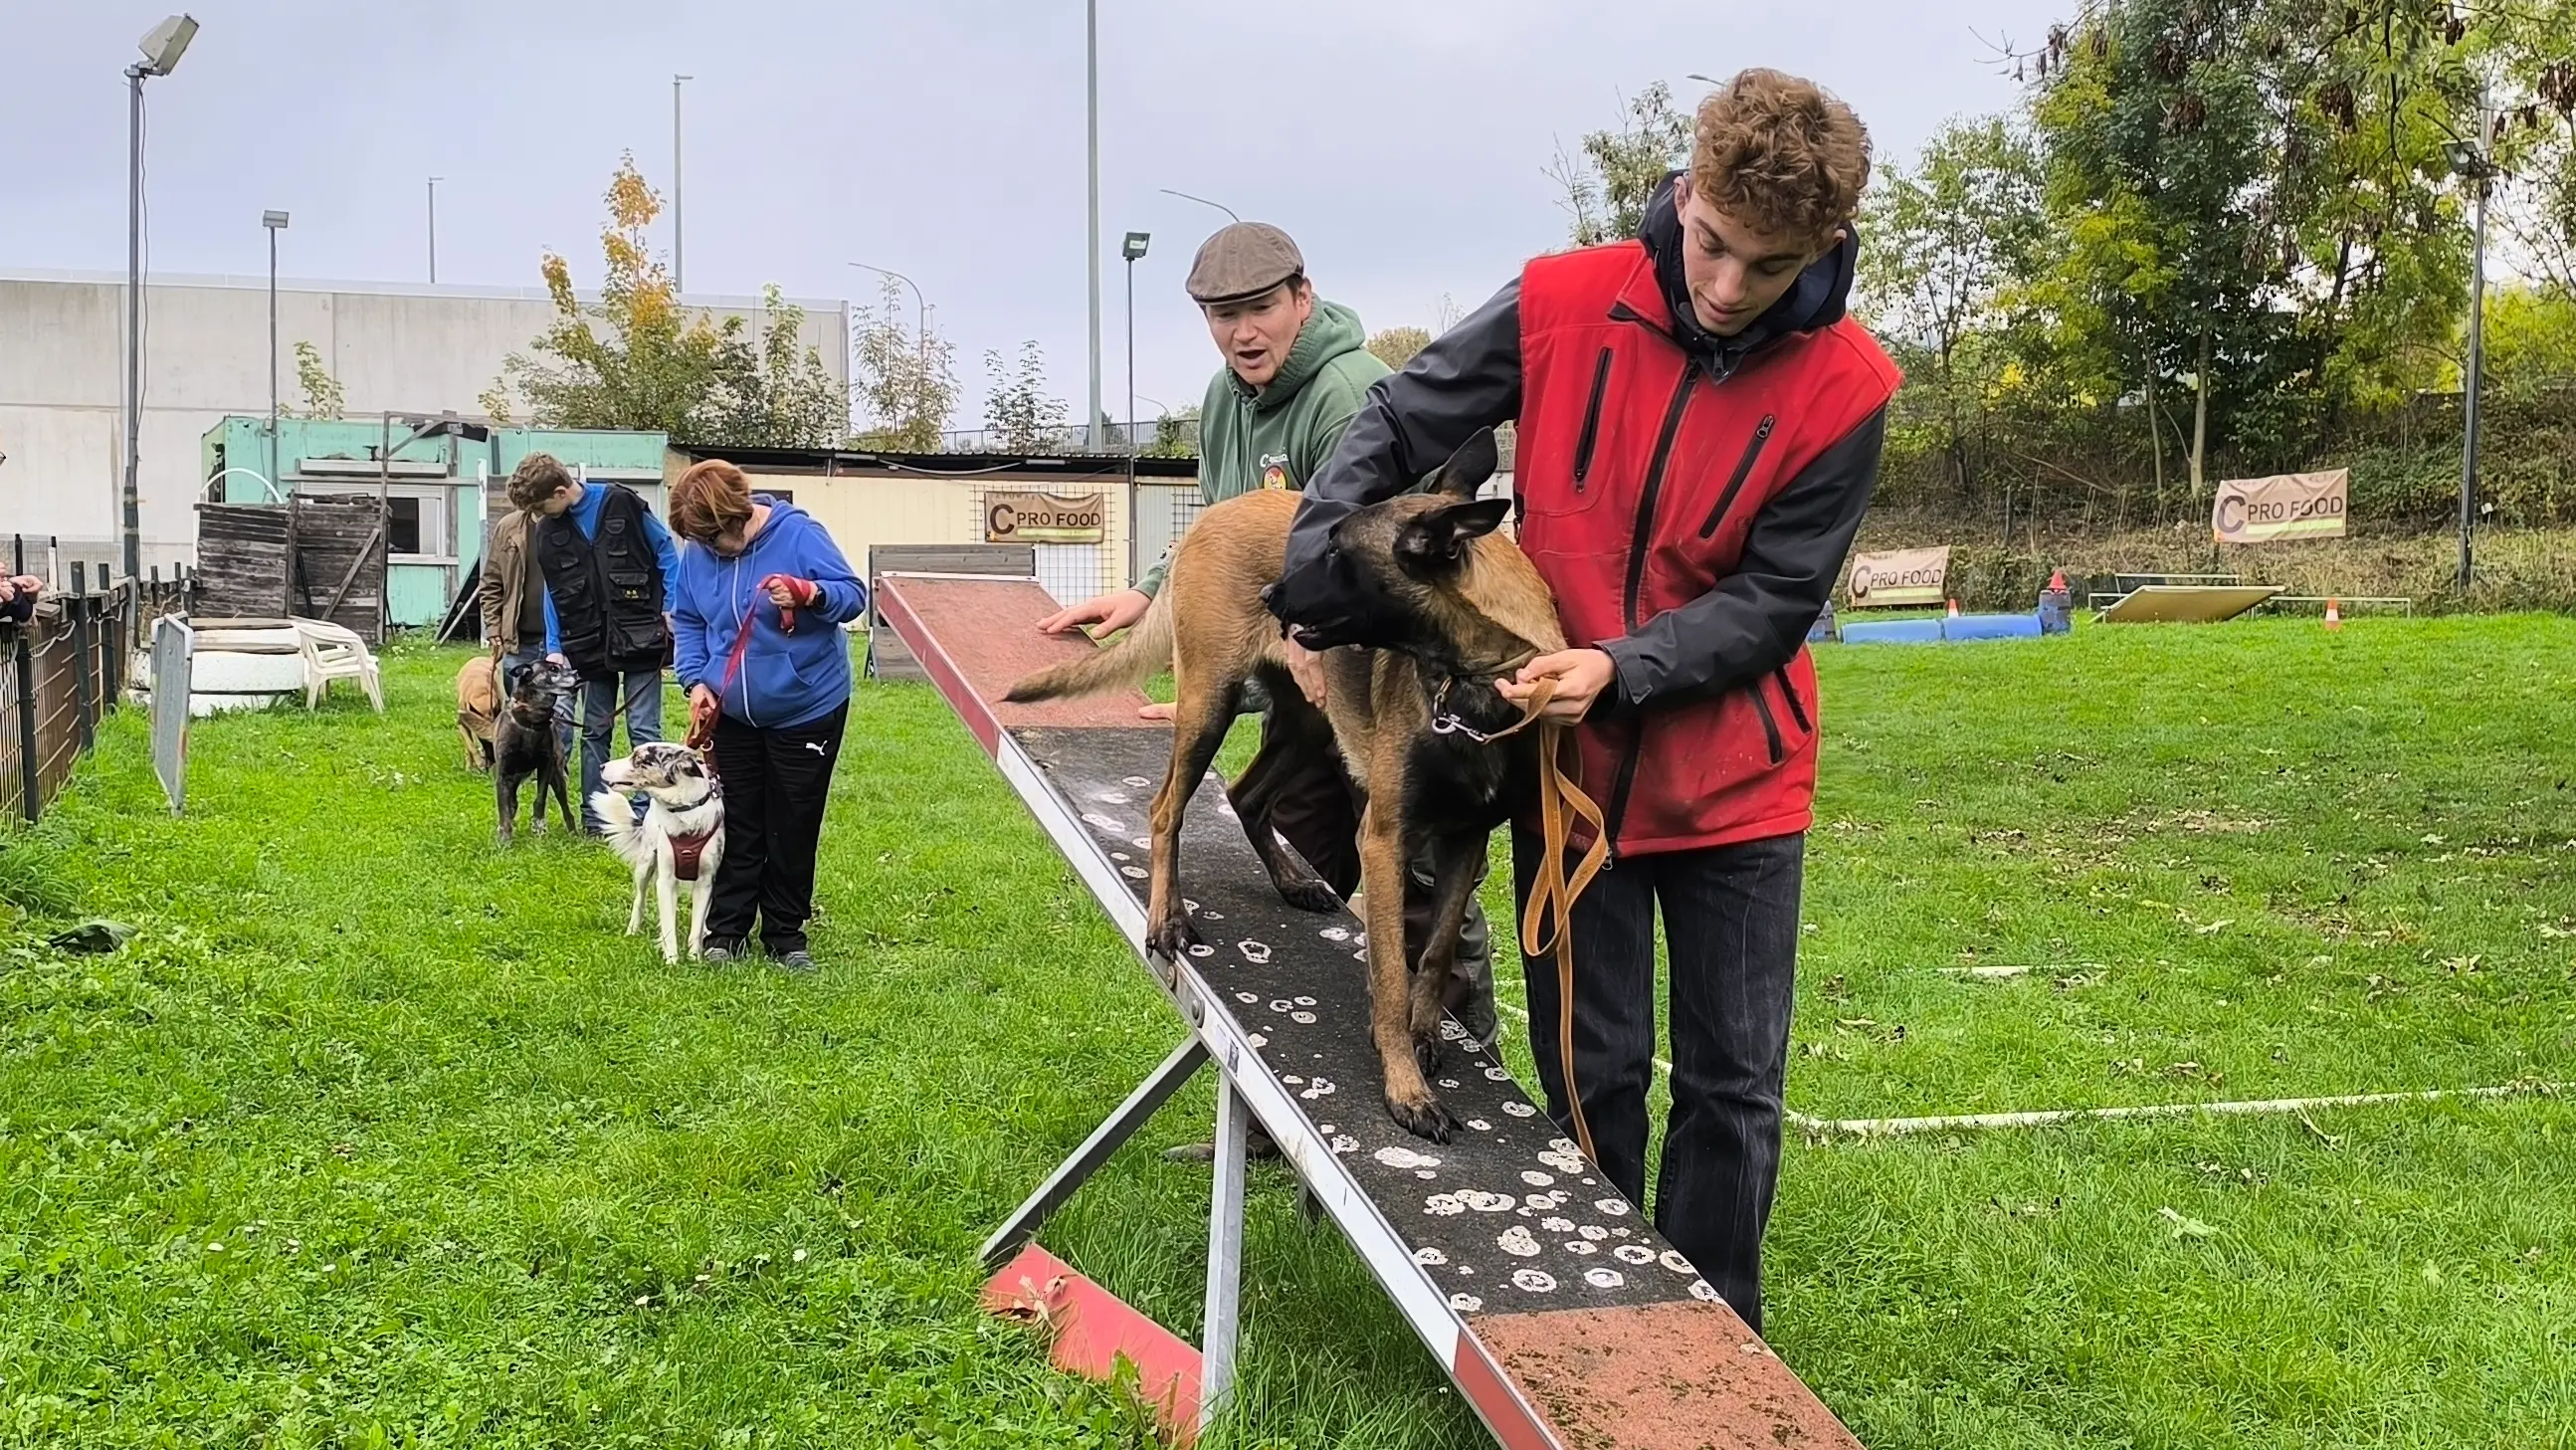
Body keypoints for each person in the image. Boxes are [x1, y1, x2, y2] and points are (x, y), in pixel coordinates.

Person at [1265, 70, 1899, 1337]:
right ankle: (1594, 1333)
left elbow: (1778, 597)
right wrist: (1315, 554)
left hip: (1737, 788)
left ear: (1827, 246)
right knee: (1588, 1069)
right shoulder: (1560, 300)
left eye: (1768, 267)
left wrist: (1623, 664)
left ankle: (1712, 1344)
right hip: (1564, 782)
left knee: (1732, 1088)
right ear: (1685, 191)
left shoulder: (1850, 387)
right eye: (1710, 242)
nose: (1727, 285)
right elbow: (1401, 414)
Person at [1038, 221, 1501, 1159]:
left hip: (1374, 660)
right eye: (1221, 316)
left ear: (1302, 297)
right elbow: (1222, 520)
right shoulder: (1225, 397)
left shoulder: (1350, 390)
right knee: (1298, 864)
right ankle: (1273, 1118)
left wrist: (1304, 638)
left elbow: (1382, 547)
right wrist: (1152, 592)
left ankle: (1468, 1069)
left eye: (1257, 309)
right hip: (1291, 630)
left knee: (1414, 868)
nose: (1241, 332)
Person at [668, 459, 867, 972]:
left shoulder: (799, 535)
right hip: (732, 710)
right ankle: (726, 931)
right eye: (699, 541)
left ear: (737, 516)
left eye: (714, 537)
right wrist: (695, 681)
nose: (709, 549)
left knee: (792, 821)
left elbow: (853, 597)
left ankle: (785, 935)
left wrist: (810, 593)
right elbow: (688, 620)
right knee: (737, 819)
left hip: (807, 705)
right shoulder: (698, 552)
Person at [507, 453, 681, 835]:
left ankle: (647, 816)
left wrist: (672, 606)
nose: (537, 516)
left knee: (644, 730)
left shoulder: (623, 503)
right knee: (594, 731)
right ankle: (595, 817)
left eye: (540, 506)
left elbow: (666, 552)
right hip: (586, 644)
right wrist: (555, 645)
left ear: (560, 491)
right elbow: (553, 592)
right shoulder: (547, 531)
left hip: (641, 638)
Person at [478, 475, 571, 757]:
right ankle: (520, 766)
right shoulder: (509, 527)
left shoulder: (570, 524)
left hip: (564, 641)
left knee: (561, 714)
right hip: (519, 641)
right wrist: (494, 626)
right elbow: (491, 581)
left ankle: (556, 768)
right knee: (520, 714)